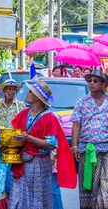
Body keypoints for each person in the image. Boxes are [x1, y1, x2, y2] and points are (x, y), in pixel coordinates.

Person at [8, 80, 77, 209]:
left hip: (39, 163)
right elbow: (14, 134)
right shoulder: (23, 114)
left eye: (30, 92)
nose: (27, 94)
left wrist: (28, 138)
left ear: (37, 97)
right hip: (21, 162)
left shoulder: (49, 117)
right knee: (18, 197)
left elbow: (51, 144)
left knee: (38, 199)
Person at [70, 69, 108, 209]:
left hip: (106, 150)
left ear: (103, 84)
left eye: (95, 81)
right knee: (88, 186)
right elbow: (76, 125)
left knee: (105, 185)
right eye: (89, 81)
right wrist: (74, 146)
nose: (91, 83)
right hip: (87, 150)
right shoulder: (82, 102)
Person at [0, 79, 26, 202]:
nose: (11, 91)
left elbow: (23, 126)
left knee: (11, 179)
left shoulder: (20, 106)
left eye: (13, 89)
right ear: (4, 90)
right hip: (0, 147)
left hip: (14, 147)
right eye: (8, 88)